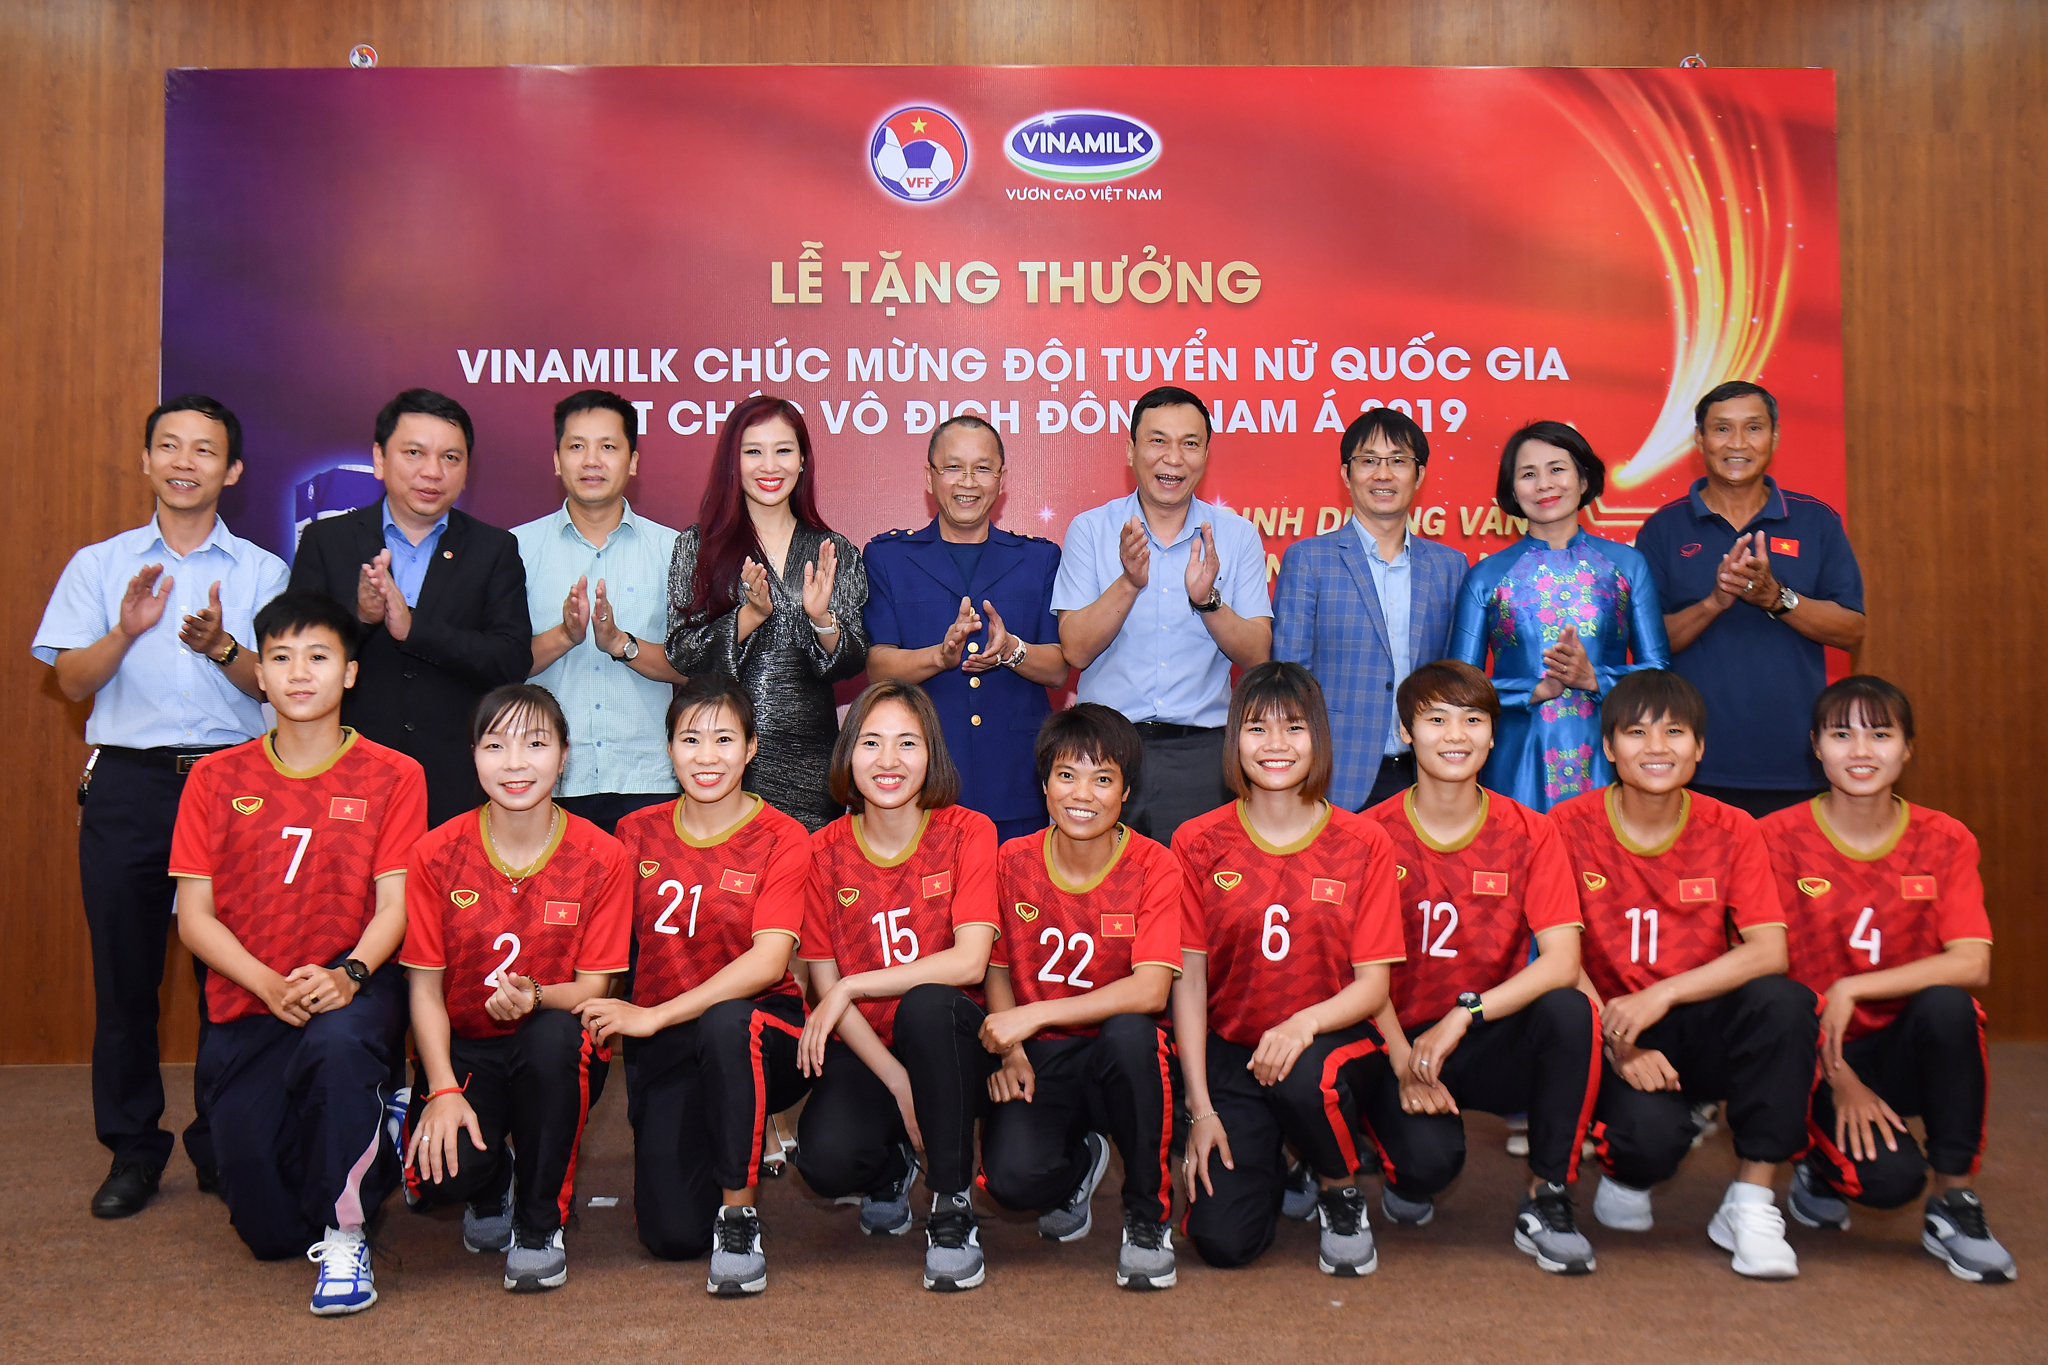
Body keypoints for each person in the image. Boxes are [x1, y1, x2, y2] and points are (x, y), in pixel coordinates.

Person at [33, 393, 290, 1217]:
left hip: (232, 785)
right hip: (129, 784)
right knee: (126, 975)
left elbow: (277, 684)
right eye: (170, 446)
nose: (185, 462)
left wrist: (221, 645)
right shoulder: (100, 564)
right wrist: (126, 629)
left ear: (233, 470)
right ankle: (132, 1149)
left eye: (204, 450)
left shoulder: (261, 571)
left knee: (230, 979)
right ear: (146, 460)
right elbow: (69, 679)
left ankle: (221, 1139)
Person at [168, 591, 427, 1314]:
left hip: (352, 988)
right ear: (260, 675)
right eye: (281, 658)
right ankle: (382, 1129)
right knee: (270, 1231)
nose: (300, 673)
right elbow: (194, 918)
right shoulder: (214, 779)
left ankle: (348, 1233)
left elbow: (396, 905)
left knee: (340, 1053)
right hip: (251, 996)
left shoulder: (394, 773)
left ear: (350, 672)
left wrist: (350, 974)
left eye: (318, 656)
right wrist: (264, 982)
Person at [1550, 670, 1817, 1279]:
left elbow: (1769, 950)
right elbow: (1557, 956)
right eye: (1636, 732)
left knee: (1784, 1001)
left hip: (1693, 1016)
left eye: (1674, 732)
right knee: (1647, 1141)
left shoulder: (1734, 827)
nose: (1656, 747)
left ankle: (1752, 1201)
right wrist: (1620, 1043)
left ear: (1699, 747)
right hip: (1608, 1025)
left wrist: (1662, 996)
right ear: (1608, 746)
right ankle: (1630, 1170)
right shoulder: (1566, 826)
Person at [1762, 676, 2014, 1282]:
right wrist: (1839, 1074)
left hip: (1902, 1046)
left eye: (1880, 735)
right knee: (1889, 1182)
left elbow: (1973, 961)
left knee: (1952, 1007)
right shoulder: (1775, 838)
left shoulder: (1945, 838)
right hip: (1812, 1055)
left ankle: (1954, 1200)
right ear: (1815, 746)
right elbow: (1765, 978)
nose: (1861, 751)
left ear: (1908, 748)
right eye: (1841, 735)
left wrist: (1853, 987)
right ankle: (1816, 1165)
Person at [1357, 660, 1599, 1274]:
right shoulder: (1366, 835)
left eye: (1472, 720)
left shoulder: (1532, 832)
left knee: (1569, 1009)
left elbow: (1562, 961)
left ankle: (1548, 1194)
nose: (1455, 735)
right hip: (1394, 1040)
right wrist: (1404, 1058)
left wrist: (1465, 1015)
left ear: (1494, 734)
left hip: (1482, 1031)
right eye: (1436, 719)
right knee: (1427, 1167)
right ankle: (1386, 1162)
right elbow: (1353, 973)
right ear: (1406, 732)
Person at [576, 674, 814, 1295]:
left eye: (724, 739)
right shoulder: (635, 832)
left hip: (761, 1031)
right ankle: (727, 1133)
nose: (707, 756)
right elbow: (601, 941)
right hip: (666, 1042)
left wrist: (653, 1015)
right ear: (669, 749)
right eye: (690, 739)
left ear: (752, 748)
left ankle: (740, 1218)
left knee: (727, 1022)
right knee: (674, 1235)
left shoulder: (784, 837)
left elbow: (768, 963)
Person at [1173, 661, 1405, 1276]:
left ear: (1318, 737)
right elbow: (1189, 982)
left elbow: (1374, 987)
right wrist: (1201, 1109)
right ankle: (1279, 1158)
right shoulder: (1197, 841)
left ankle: (1338, 1187)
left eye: (1294, 727)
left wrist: (1303, 1024)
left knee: (1306, 1075)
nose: (1275, 744)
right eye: (1257, 728)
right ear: (1234, 739)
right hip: (1235, 1052)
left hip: (1333, 1043)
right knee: (1222, 1244)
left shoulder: (1363, 841)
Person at [401, 684, 631, 1293]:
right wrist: (442, 1088)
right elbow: (424, 990)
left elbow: (593, 988)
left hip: (553, 1045)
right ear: (473, 756)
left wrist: (536, 997)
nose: (515, 763)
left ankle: (538, 1224)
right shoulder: (434, 853)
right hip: (466, 1048)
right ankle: (493, 1176)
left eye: (535, 744)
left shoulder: (603, 856)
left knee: (555, 1037)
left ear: (564, 756)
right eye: (495, 746)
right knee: (438, 1181)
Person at [791, 681, 1001, 1292]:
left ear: (931, 753)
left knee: (928, 1005)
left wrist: (853, 986)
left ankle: (951, 1204)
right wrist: (899, 1081)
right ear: (847, 754)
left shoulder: (968, 832)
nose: (889, 760)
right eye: (871, 742)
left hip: (955, 1045)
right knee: (825, 1161)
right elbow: (824, 984)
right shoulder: (821, 852)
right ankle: (889, 1166)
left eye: (907, 743)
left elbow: (970, 963)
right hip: (870, 1050)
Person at [978, 703, 1183, 1290]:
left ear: (1125, 791)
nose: (1083, 795)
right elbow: (996, 968)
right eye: (1067, 775)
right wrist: (1012, 1049)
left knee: (1132, 1034)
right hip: (1042, 1056)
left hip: (1123, 1055)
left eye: (1103, 778)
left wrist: (1034, 1014)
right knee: (1011, 1181)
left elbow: (1151, 990)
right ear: (1044, 785)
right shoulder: (1011, 861)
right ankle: (1079, 1162)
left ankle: (1147, 1216)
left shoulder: (1155, 865)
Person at [289, 388, 533, 827]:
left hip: (457, 782)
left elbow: (510, 660)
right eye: (414, 453)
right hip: (348, 772)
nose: (432, 472)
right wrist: (362, 617)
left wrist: (414, 629)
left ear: (467, 471)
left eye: (450, 458)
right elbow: (298, 657)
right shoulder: (328, 541)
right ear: (379, 459)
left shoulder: (493, 548)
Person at [1635, 382, 1867, 818]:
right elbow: (1647, 645)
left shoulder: (1815, 521)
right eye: (1722, 429)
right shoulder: (1663, 529)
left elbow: (1852, 630)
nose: (1737, 443)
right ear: (1700, 439)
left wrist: (1777, 598)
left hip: (1798, 763)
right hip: (1690, 764)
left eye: (1753, 428)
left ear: (1774, 437)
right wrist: (1713, 603)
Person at [1053, 386, 1272, 845]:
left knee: (1201, 888)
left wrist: (1208, 601)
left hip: (1203, 754)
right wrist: (1129, 582)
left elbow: (1257, 654)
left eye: (1190, 443)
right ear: (1131, 451)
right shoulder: (1091, 529)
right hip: (1104, 753)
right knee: (1105, 885)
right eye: (1157, 441)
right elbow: (1075, 649)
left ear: (1206, 455)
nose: (1173, 458)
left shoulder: (1236, 535)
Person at [666, 396, 868, 832]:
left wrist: (821, 619)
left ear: (802, 460)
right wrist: (749, 616)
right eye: (753, 451)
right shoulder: (697, 546)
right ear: (732, 462)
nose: (769, 466)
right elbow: (681, 653)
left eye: (783, 450)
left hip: (812, 761)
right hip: (723, 755)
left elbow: (854, 661)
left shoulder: (834, 550)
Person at [864, 415, 1069, 843]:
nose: (968, 482)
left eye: (982, 468)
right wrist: (939, 657)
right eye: (953, 467)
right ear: (929, 476)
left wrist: (1011, 650)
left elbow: (1057, 669)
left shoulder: (1039, 559)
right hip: (923, 782)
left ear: (1001, 479)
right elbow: (878, 667)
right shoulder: (889, 558)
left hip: (1014, 781)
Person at [1449, 421, 1670, 812]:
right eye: (1528, 474)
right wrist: (1532, 691)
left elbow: (1659, 673)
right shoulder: (1485, 577)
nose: (1544, 484)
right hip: (1518, 761)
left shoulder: (1628, 565)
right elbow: (1458, 689)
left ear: (1583, 480)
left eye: (1557, 469)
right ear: (1512, 490)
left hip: (1611, 756)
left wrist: (1594, 679)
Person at [1274, 408, 1468, 811]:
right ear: (1346, 475)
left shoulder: (1450, 566)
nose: (1383, 474)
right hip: (1335, 775)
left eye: (1398, 461)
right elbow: (1292, 680)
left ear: (1419, 475)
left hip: (1427, 773)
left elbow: (1457, 677)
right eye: (1368, 461)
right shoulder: (1309, 560)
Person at [513, 388, 685, 833]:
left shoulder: (674, 551)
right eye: (576, 446)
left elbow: (693, 668)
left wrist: (621, 644)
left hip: (647, 780)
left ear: (633, 461)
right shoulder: (515, 550)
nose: (592, 461)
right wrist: (564, 637)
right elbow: (495, 664)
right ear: (557, 460)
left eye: (608, 446)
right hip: (543, 781)